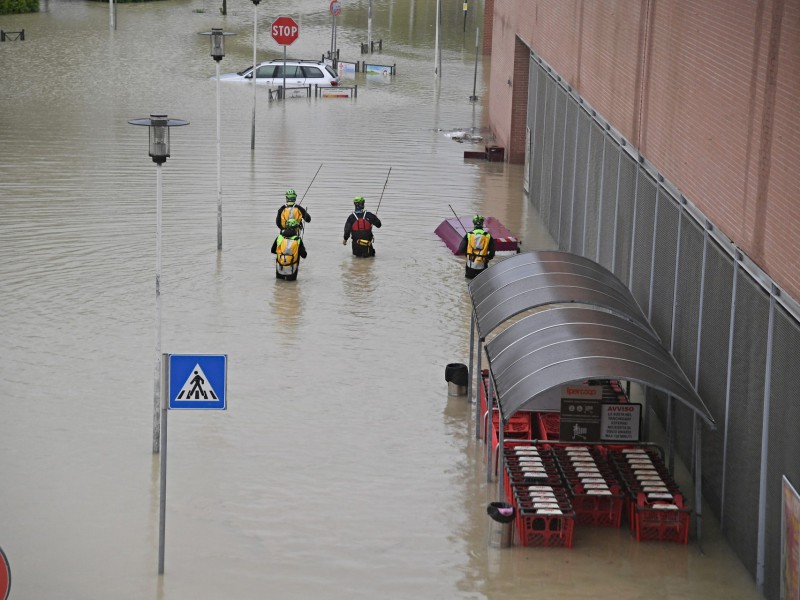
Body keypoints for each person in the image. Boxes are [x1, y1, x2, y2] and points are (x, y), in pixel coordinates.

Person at [457, 214, 495, 279]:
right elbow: (492, 253)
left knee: (469, 283)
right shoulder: (488, 236)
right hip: (482, 267)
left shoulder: (468, 235)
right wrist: (486, 259)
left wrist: (468, 254)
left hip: (470, 267)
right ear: (482, 223)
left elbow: (461, 250)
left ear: (474, 223)